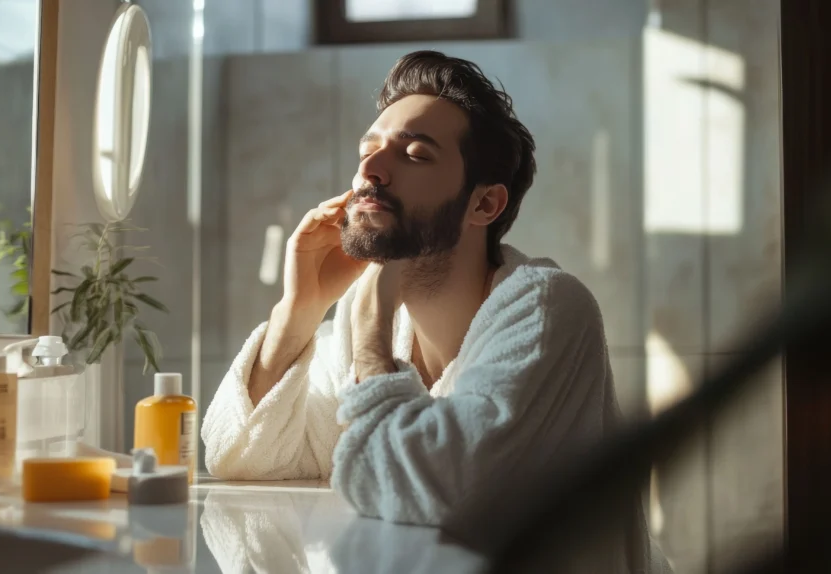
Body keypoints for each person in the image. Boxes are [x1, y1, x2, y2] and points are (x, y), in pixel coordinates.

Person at [201, 50, 651, 571]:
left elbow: (441, 491)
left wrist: (372, 340)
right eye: (367, 150)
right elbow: (242, 458)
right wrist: (299, 309)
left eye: (414, 154)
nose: (370, 170)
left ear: (484, 204)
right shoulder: (360, 325)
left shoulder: (548, 309)